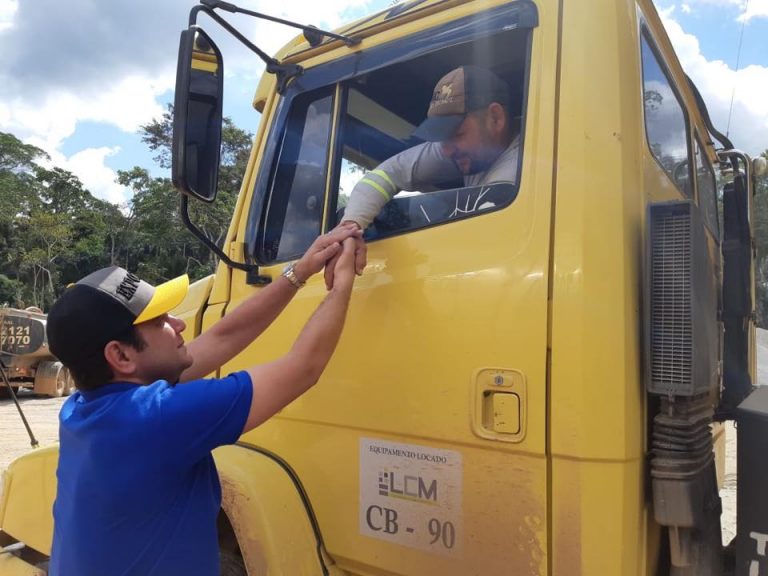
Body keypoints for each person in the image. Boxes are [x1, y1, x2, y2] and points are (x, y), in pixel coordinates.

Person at [45, 225, 362, 576]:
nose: (178, 324)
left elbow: (224, 337)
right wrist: (344, 282)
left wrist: (299, 272)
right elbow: (303, 367)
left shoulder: (83, 408)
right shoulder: (159, 418)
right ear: (120, 356)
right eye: (159, 320)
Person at [341, 65, 520, 232]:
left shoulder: (519, 172)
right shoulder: (476, 150)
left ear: (495, 119)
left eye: (457, 134)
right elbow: (386, 173)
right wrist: (351, 226)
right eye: (441, 137)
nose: (446, 151)